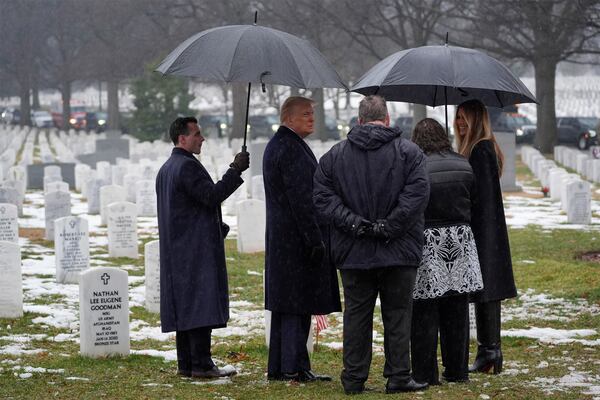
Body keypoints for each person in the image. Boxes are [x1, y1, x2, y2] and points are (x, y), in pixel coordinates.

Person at [313, 95, 430, 395]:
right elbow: (416, 197)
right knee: (398, 315)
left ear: (360, 120)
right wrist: (388, 227)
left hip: (354, 251)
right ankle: (399, 376)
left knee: (357, 316)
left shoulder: (335, 156)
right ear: (387, 119)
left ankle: (353, 377)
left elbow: (324, 199)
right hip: (399, 250)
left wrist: (354, 223)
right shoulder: (410, 153)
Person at [156, 116, 249, 378]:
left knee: (187, 306)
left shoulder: (167, 167)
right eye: (196, 134)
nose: (202, 138)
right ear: (182, 138)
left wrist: (214, 227)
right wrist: (235, 169)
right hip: (194, 250)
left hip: (180, 248)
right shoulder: (186, 166)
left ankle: (187, 364)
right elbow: (211, 197)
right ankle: (202, 364)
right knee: (200, 304)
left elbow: (186, 208)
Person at [263, 96, 341, 382]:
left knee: (288, 306)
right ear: (289, 118)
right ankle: (293, 367)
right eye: (306, 114)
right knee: (296, 305)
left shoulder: (281, 144)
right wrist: (315, 240)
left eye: (312, 114)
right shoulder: (290, 148)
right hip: (296, 242)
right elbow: (302, 201)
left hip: (285, 240)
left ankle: (284, 366)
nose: (312, 119)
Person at [410, 118, 484, 385]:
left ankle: (425, 373)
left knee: (424, 312)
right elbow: (473, 199)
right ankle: (457, 370)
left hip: (428, 240)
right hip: (460, 239)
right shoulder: (463, 163)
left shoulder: (415, 165)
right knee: (457, 310)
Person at [454, 99, 517, 374]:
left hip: (483, 229)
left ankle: (490, 351)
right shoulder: (482, 148)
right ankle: (489, 351)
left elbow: (477, 195)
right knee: (485, 289)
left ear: (477, 120)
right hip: (487, 228)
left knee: (487, 288)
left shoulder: (480, 150)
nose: (458, 123)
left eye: (464, 118)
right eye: (457, 118)